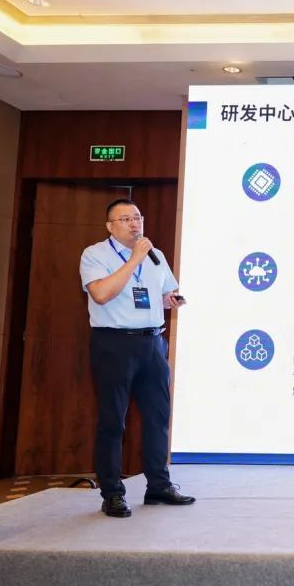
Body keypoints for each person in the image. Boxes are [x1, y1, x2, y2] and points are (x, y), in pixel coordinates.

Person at [79, 198, 195, 517]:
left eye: (138, 217)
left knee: (158, 417)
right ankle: (112, 493)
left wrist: (170, 300)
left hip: (153, 343)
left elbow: (163, 293)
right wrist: (134, 259)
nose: (135, 223)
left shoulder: (155, 255)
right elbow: (101, 293)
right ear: (110, 226)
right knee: (113, 420)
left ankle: (158, 485)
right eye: (126, 219)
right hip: (114, 344)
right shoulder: (95, 254)